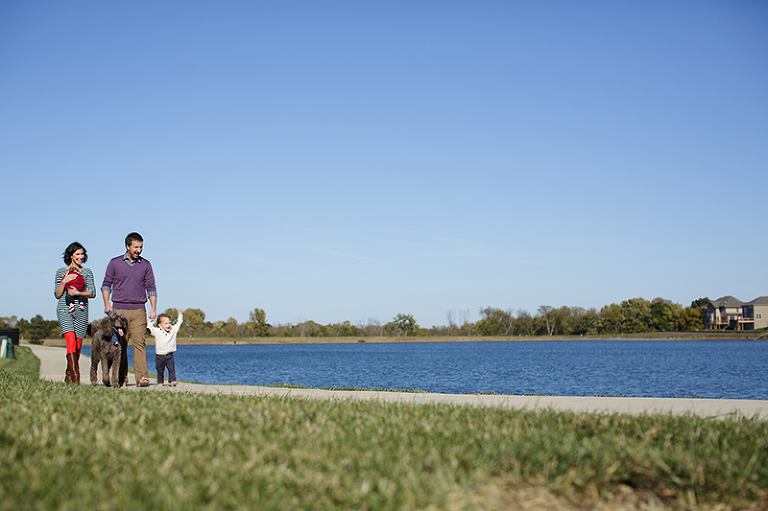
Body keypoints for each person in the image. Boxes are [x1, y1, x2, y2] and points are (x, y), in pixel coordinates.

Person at [101, 232, 157, 387]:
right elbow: (106, 284)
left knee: (139, 343)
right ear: (127, 246)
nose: (139, 250)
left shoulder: (146, 265)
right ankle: (121, 378)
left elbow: (151, 287)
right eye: (136, 247)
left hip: (139, 309)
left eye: (141, 247)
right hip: (119, 310)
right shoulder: (115, 263)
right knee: (121, 344)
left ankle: (142, 378)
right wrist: (107, 304)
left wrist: (153, 308)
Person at [54, 242, 96, 383]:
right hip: (64, 309)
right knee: (71, 342)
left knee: (77, 346)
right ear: (71, 255)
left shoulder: (87, 272)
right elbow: (58, 294)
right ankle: (76, 378)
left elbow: (93, 293)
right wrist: (64, 282)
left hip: (82, 311)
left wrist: (79, 293)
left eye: (82, 254)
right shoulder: (61, 272)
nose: (80, 256)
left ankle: (69, 375)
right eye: (77, 254)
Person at [148, 309, 183, 387]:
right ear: (160, 325)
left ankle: (173, 381)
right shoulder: (157, 331)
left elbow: (178, 324)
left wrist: (180, 315)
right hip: (160, 355)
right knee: (160, 370)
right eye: (166, 323)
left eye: (169, 323)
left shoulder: (173, 330)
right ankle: (160, 382)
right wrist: (150, 321)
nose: (168, 325)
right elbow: (150, 328)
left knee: (171, 369)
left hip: (169, 355)